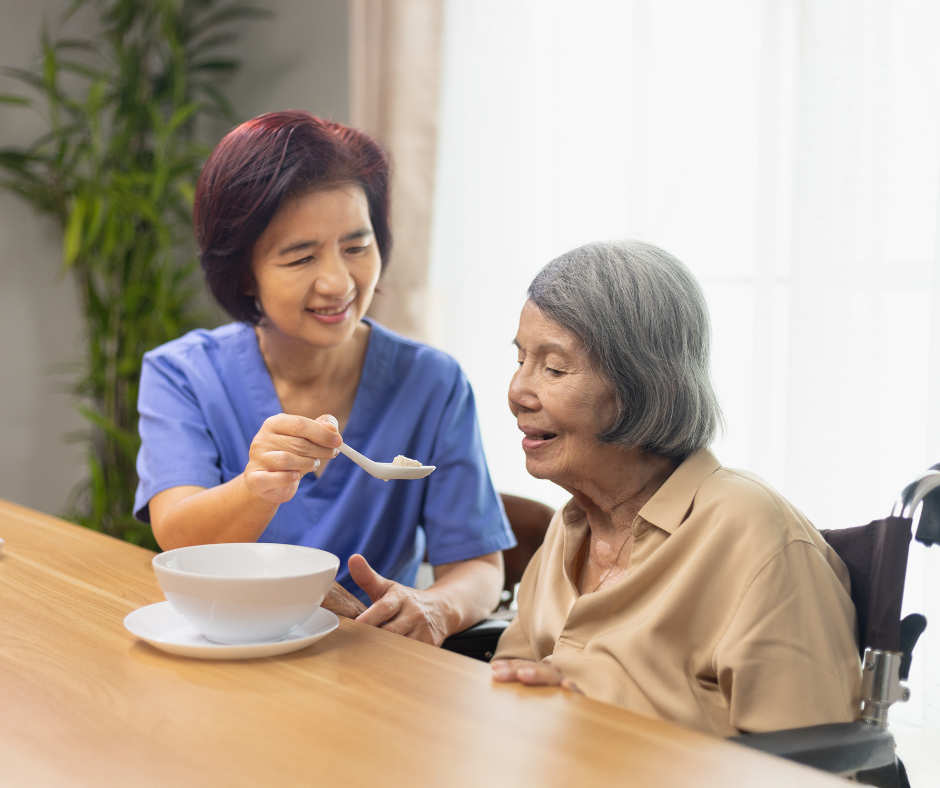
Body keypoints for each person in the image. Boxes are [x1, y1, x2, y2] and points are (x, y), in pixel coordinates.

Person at [133, 110, 514, 645]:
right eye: (301, 257)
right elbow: (178, 538)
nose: (338, 282)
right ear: (244, 272)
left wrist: (434, 607)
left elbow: (478, 564)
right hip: (231, 653)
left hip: (376, 664)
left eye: (356, 248)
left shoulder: (432, 382)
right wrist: (256, 487)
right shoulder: (183, 375)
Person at [490, 240, 860, 736]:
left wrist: (601, 733)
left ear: (643, 385)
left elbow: (814, 768)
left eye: (554, 368)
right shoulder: (571, 525)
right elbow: (508, 682)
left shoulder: (753, 535)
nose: (516, 393)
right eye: (520, 361)